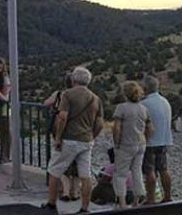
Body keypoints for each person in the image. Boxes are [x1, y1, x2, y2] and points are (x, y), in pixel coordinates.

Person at [43, 67, 104, 213]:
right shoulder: (96, 98)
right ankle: (84, 208)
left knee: (54, 170)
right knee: (85, 175)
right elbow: (100, 123)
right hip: (86, 140)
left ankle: (51, 204)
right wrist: (91, 136)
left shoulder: (67, 94)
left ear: (73, 79)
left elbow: (63, 117)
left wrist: (58, 138)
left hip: (68, 139)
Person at [113, 81, 152, 209]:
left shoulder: (121, 108)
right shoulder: (144, 109)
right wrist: (146, 139)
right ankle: (136, 201)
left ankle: (123, 203)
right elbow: (150, 128)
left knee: (121, 174)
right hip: (140, 144)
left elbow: (117, 128)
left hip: (126, 144)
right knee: (137, 172)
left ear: (125, 93)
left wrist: (116, 143)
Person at [44, 74, 79, 202]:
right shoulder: (82, 96)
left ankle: (65, 191)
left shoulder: (59, 94)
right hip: (78, 132)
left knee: (61, 161)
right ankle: (75, 192)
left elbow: (46, 103)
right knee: (76, 162)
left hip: (60, 130)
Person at [141, 75, 173, 204]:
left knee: (150, 171)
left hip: (150, 142)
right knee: (164, 169)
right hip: (164, 139)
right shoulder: (165, 101)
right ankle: (168, 196)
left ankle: (150, 199)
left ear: (145, 88)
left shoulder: (144, 104)